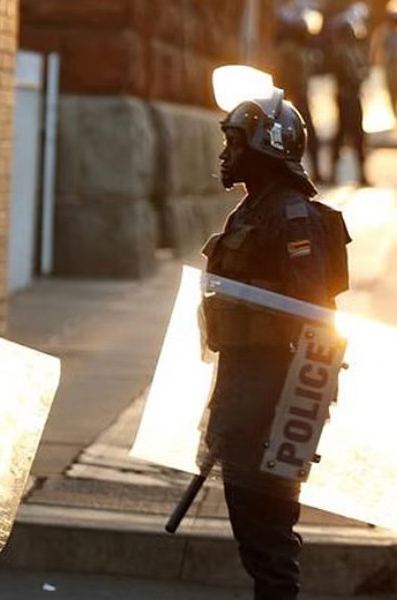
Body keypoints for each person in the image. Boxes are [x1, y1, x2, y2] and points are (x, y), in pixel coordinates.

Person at [201, 90, 349, 600]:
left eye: (234, 143)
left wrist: (291, 415)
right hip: (243, 390)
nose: (225, 154)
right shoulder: (251, 211)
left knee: (269, 536)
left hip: (277, 399)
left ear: (266, 147)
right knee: (250, 526)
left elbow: (311, 315)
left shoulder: (292, 217)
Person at [274, 3, 321, 181]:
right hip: (291, 98)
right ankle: (286, 172)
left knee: (305, 135)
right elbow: (283, 76)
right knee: (285, 136)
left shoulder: (301, 52)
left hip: (297, 97)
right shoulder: (289, 51)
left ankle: (311, 170)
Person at [326, 2, 371, 185]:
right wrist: (359, 76)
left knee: (357, 136)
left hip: (353, 97)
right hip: (346, 98)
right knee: (344, 135)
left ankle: (361, 174)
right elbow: (349, 75)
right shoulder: (341, 52)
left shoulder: (353, 50)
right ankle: (333, 172)